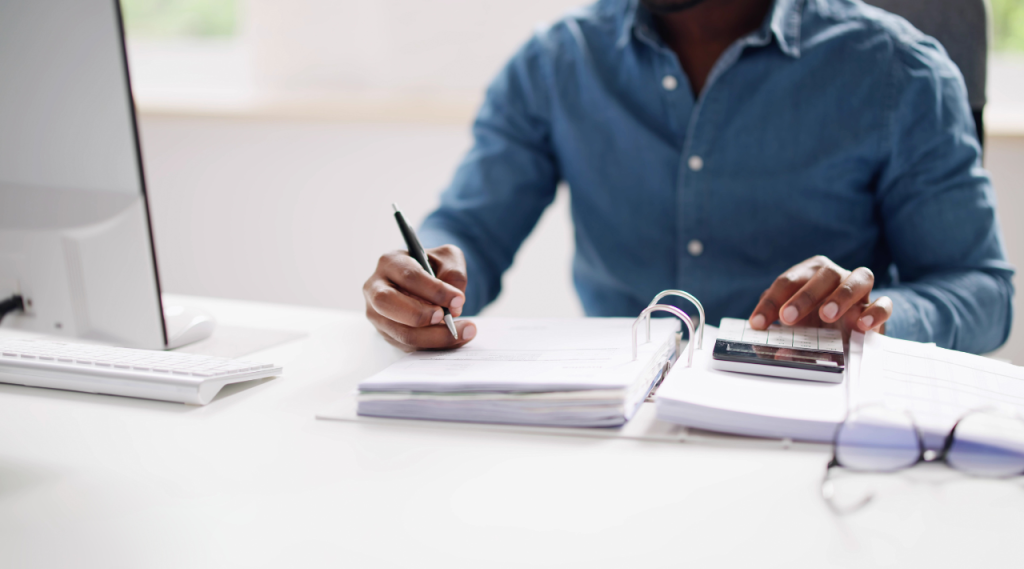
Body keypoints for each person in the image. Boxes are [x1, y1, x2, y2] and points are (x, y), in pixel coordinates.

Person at [363, 0, 1013, 354]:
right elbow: (472, 226)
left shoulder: (899, 73)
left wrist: (873, 316)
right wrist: (427, 279)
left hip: (817, 431)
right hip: (613, 427)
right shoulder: (555, 62)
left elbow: (982, 290)